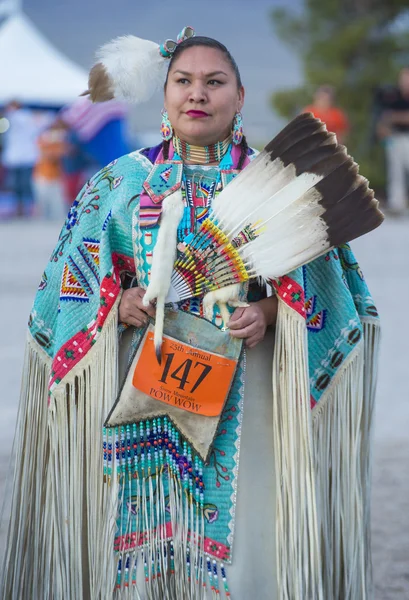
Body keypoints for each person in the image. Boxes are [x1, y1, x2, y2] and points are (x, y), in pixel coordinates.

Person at [1, 28, 381, 600]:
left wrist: (273, 312)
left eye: (214, 82)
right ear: (166, 94)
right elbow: (66, 286)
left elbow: (332, 290)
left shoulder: (276, 186)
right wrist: (117, 304)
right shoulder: (120, 183)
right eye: (184, 81)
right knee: (139, 529)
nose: (197, 93)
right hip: (137, 384)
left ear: (240, 95)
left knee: (248, 526)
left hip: (248, 392)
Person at [376, 67, 409, 214]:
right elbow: (384, 117)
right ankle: (397, 204)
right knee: (395, 172)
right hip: (394, 138)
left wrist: (395, 117)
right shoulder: (393, 96)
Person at [1, 101, 39, 217]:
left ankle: (28, 208)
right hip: (18, 157)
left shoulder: (19, 117)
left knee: (24, 184)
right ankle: (21, 208)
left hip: (24, 157)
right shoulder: (12, 118)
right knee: (18, 185)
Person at [33, 119, 68, 220]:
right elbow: (47, 155)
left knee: (57, 201)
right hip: (42, 175)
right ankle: (42, 219)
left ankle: (57, 220)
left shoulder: (59, 142)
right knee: (42, 201)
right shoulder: (43, 140)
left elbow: (61, 153)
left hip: (56, 175)